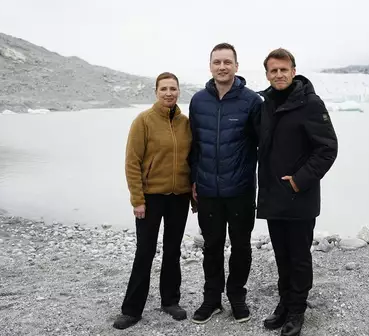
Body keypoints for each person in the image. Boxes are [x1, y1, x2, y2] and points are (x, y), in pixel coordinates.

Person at [255, 48, 338, 336]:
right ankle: (284, 303)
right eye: (273, 70)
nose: (278, 74)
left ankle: (296, 311)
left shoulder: (310, 103)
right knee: (281, 254)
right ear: (267, 73)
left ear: (293, 71)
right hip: (274, 196)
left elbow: (327, 148)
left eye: (283, 69)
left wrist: (299, 180)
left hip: (299, 195)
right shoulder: (264, 104)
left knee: (299, 256)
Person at [188, 42, 263, 324]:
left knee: (241, 245)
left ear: (236, 66)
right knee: (212, 245)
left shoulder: (252, 101)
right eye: (217, 62)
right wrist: (192, 180)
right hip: (207, 189)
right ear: (210, 66)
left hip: (241, 189)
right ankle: (212, 299)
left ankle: (237, 295)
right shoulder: (198, 101)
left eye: (227, 62)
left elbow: (263, 146)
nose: (222, 67)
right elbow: (193, 146)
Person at [112, 72, 193, 330]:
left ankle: (170, 301)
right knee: (145, 252)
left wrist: (193, 192)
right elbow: (132, 162)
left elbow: (192, 160)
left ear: (179, 91)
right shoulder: (143, 121)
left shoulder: (185, 123)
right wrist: (137, 199)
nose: (169, 93)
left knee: (173, 250)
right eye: (164, 89)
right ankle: (132, 310)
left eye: (173, 88)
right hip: (151, 198)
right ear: (156, 92)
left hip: (178, 197)